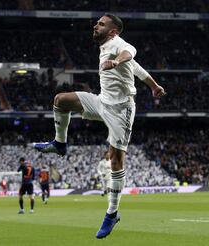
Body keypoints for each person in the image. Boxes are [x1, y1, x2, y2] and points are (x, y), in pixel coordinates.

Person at [33, 13, 166, 238]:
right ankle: (60, 143)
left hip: (121, 110)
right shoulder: (105, 45)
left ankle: (112, 213)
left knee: (116, 159)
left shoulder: (117, 43)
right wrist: (153, 85)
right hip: (102, 102)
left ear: (113, 31)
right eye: (97, 22)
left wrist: (115, 61)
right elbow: (136, 67)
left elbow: (130, 52)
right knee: (60, 100)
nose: (96, 25)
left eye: (101, 24)